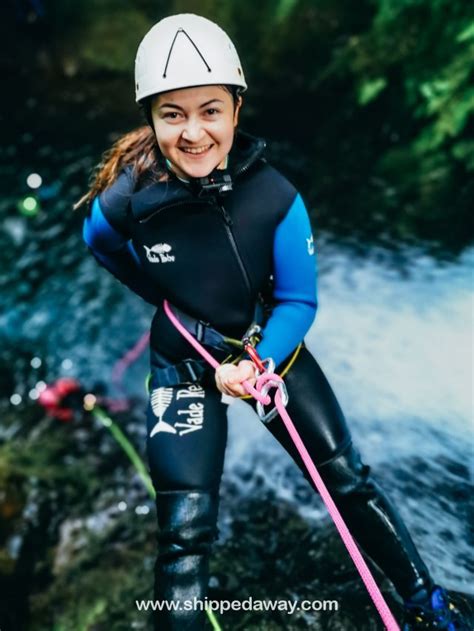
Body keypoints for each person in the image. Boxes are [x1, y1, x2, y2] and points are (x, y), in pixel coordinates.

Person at [76, 14, 470, 631]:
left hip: (265, 347)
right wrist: (161, 296)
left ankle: (426, 600)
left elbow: (298, 303)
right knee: (183, 532)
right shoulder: (130, 197)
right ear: (151, 118)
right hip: (182, 356)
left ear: (236, 108)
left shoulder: (274, 199)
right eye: (172, 114)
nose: (193, 131)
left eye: (210, 110)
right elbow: (98, 241)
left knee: (347, 480)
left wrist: (252, 361)